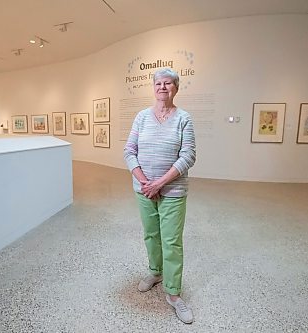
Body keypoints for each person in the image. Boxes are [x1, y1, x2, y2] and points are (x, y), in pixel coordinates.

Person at [123, 68, 197, 324]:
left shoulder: (184, 118)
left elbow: (188, 156)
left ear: (176, 88)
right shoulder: (142, 117)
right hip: (144, 189)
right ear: (153, 88)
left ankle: (174, 293)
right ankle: (155, 272)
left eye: (168, 84)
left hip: (173, 191)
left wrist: (160, 183)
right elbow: (129, 150)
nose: (163, 87)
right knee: (151, 234)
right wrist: (145, 182)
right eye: (158, 83)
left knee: (172, 241)